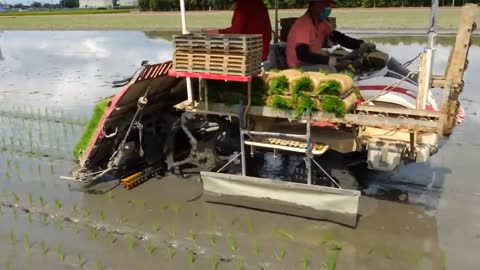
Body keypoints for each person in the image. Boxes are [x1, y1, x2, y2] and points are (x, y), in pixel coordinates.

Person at [286, 0, 374, 71]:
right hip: (298, 68)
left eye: (329, 5)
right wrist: (329, 61)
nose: (328, 8)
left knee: (344, 60)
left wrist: (360, 44)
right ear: (316, 5)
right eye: (326, 5)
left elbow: (337, 37)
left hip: (311, 63)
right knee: (331, 70)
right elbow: (302, 54)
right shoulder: (303, 25)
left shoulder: (321, 23)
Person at [202, 0, 272, 62]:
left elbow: (235, 31)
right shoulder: (256, 2)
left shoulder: (244, 3)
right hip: (261, 51)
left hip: (253, 54)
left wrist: (208, 32)